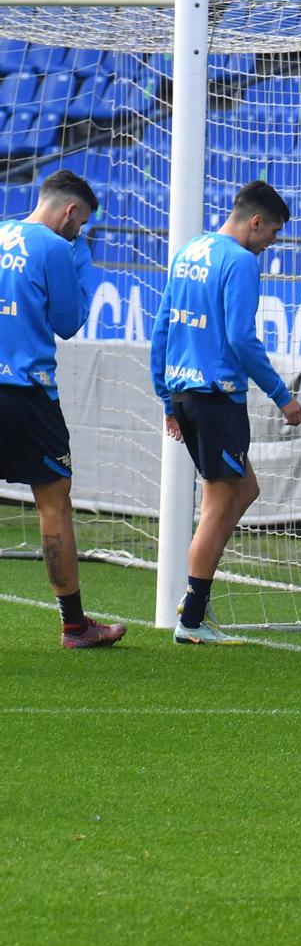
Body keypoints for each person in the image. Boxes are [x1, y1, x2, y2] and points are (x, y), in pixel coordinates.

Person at [151, 180, 301, 645]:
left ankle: (196, 594)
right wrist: (284, 396)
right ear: (256, 222)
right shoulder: (239, 262)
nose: (271, 244)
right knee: (217, 508)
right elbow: (241, 340)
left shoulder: (190, 251)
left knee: (244, 489)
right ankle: (193, 614)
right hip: (217, 397)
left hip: (185, 393)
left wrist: (166, 399)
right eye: (273, 233)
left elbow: (162, 326)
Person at [0, 170, 122, 648]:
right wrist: (80, 259)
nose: (80, 231)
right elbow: (69, 323)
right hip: (27, 393)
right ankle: (75, 626)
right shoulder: (54, 247)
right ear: (70, 212)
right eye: (82, 224)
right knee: (53, 504)